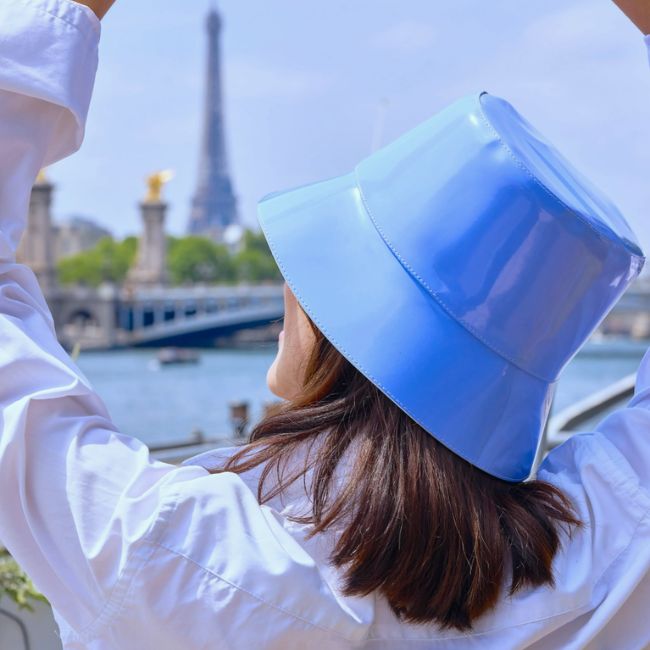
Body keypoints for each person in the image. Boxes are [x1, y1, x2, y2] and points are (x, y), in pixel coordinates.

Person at [0, 1, 648, 648]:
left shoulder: (176, 556)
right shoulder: (610, 543)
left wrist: (66, 14)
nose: (288, 282)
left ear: (352, 329)